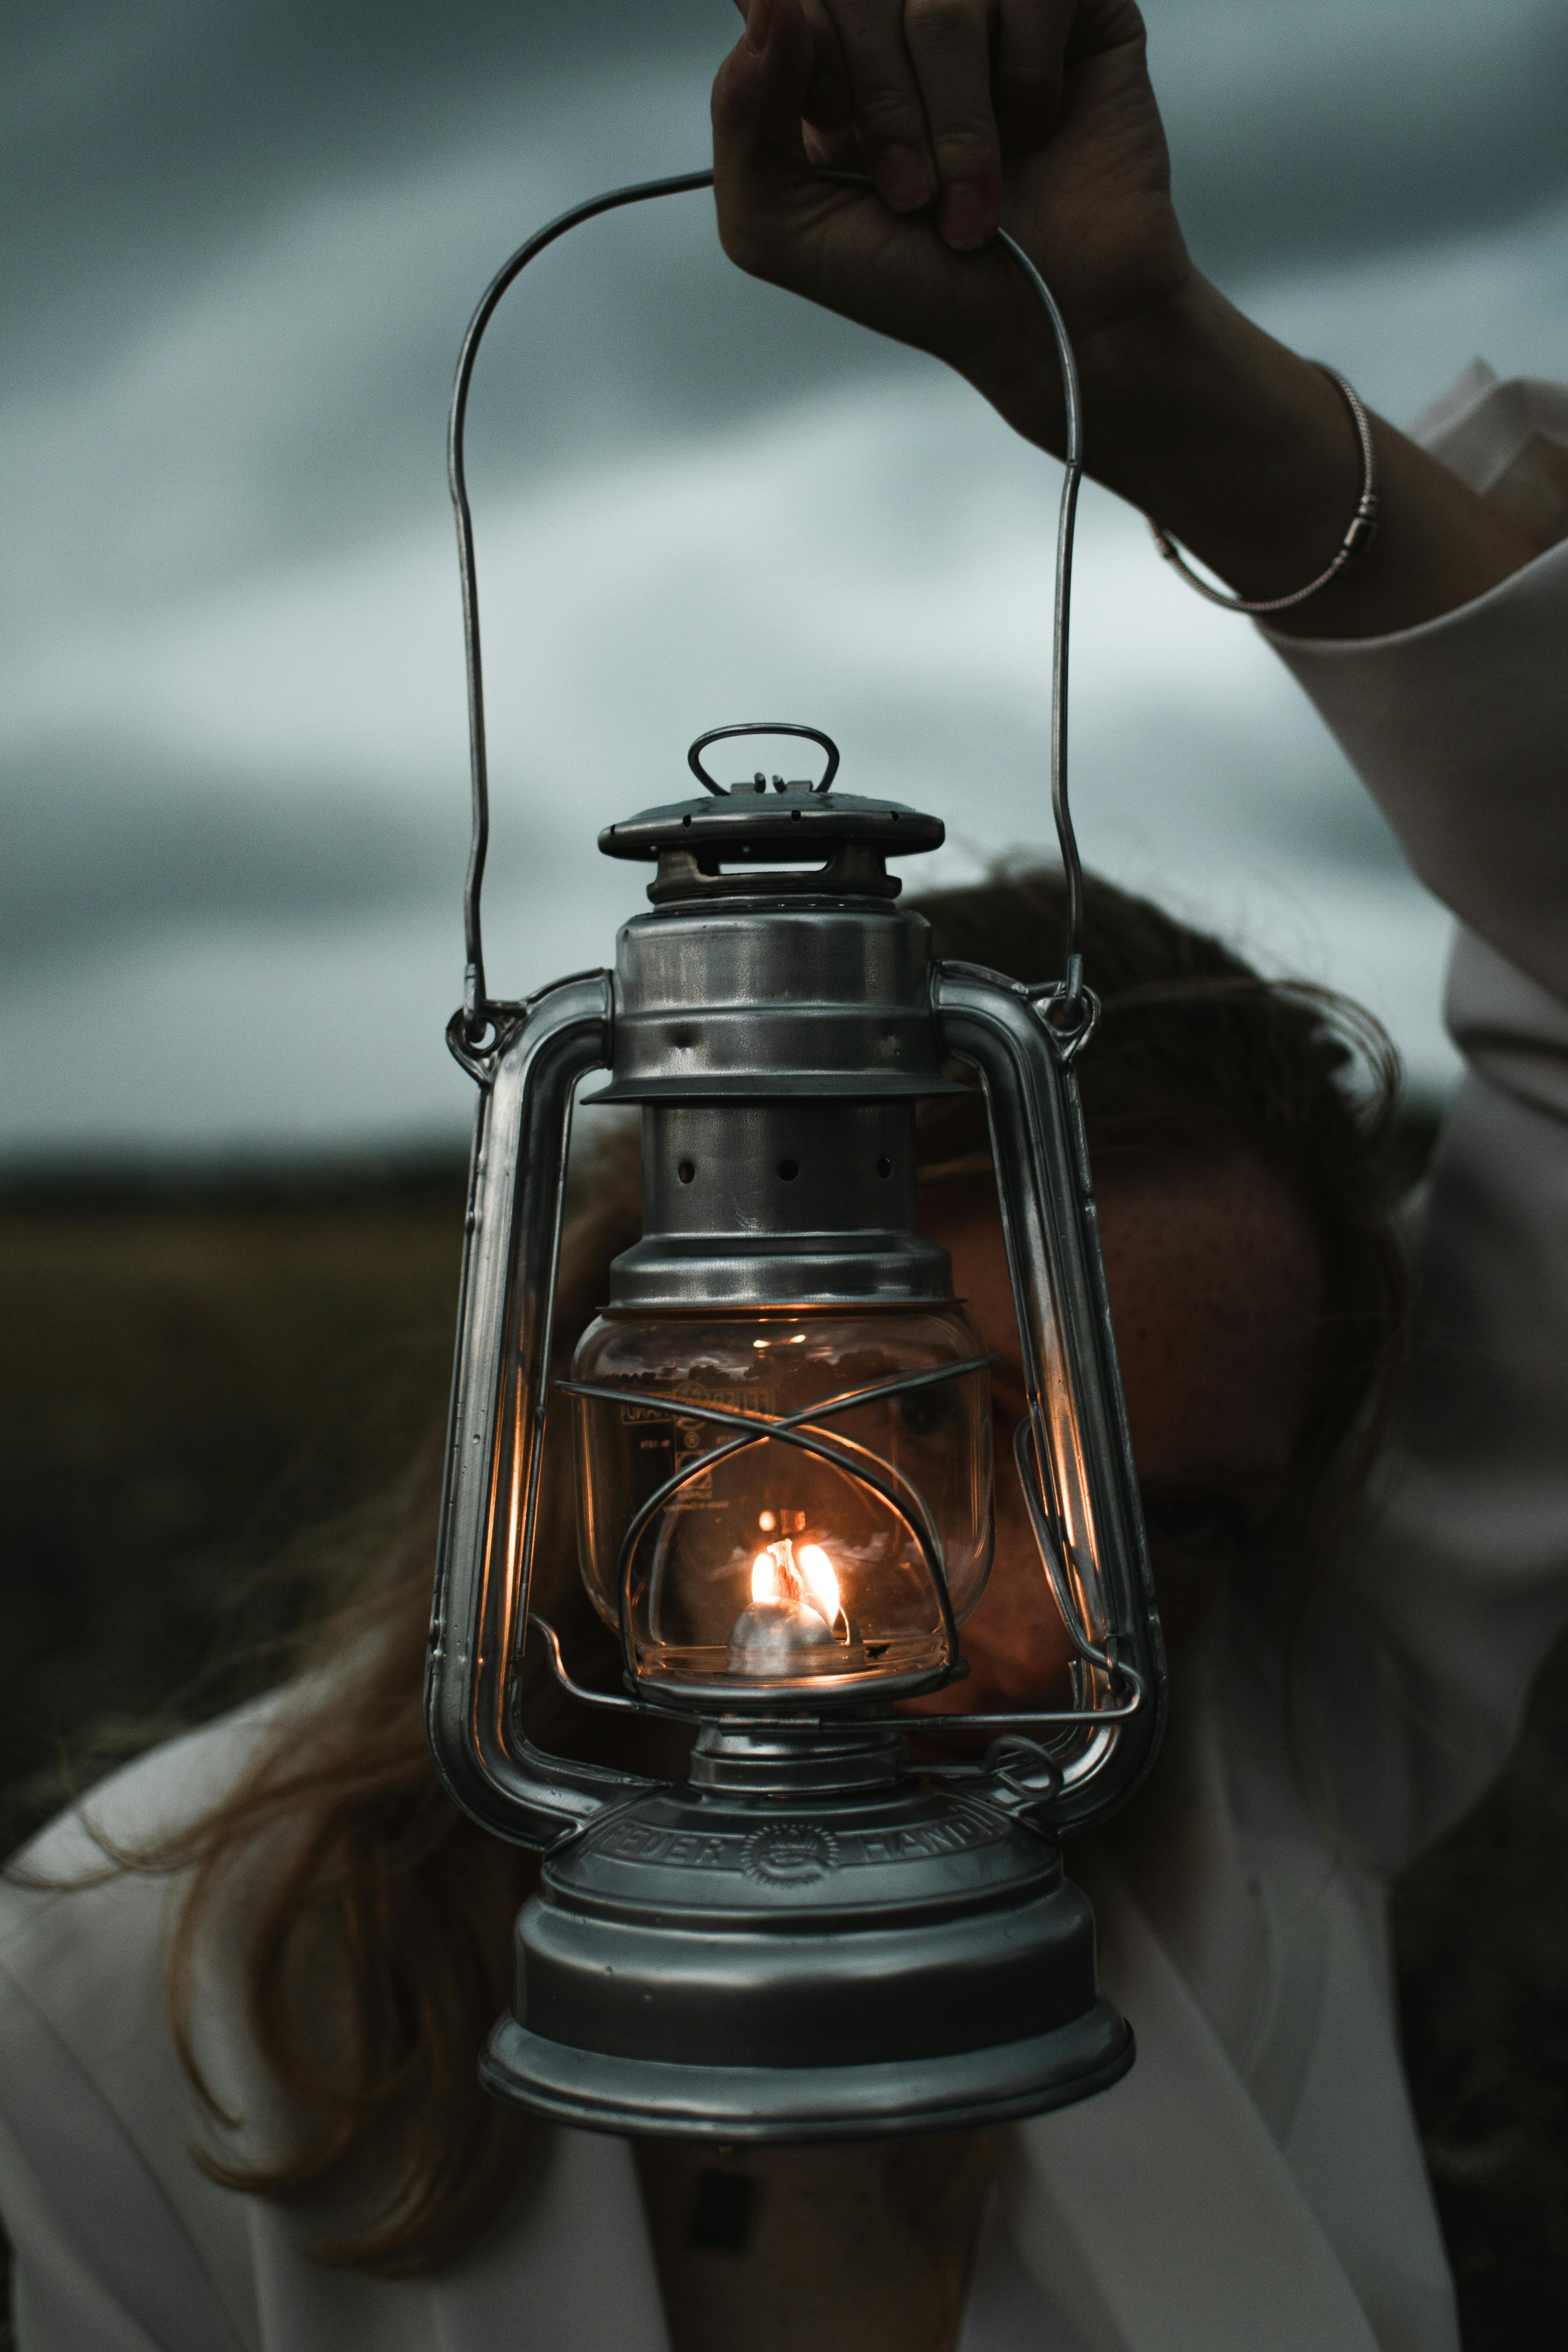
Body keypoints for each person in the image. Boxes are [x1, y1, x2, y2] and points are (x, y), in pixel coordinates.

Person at [4, 3, 1567, 2347]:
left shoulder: (1264, 1759)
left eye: (1169, 1522)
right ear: (624, 1364)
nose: (1015, 1633)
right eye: (916, 1444)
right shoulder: (134, 1991)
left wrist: (1144, 367)